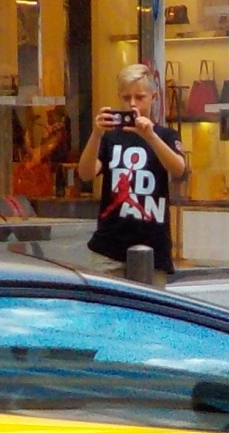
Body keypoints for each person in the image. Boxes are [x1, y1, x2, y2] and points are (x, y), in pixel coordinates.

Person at [80, 62, 187, 280]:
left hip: (153, 247)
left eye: (139, 97)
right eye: (126, 98)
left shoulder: (166, 136)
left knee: (149, 311)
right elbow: (86, 173)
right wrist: (96, 134)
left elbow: (178, 170)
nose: (132, 104)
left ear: (153, 97)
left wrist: (150, 136)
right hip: (109, 246)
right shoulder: (110, 136)